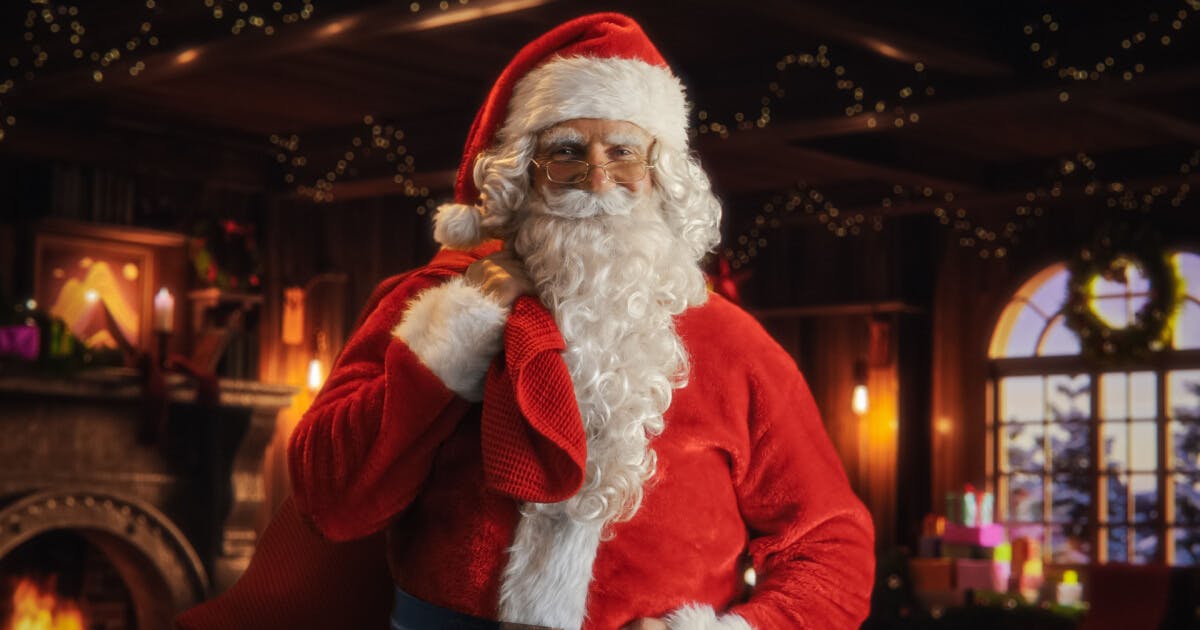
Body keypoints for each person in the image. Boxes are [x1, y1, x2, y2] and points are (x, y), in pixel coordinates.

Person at [178, 12, 873, 630]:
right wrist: (453, 334)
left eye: (624, 151)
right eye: (566, 150)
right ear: (521, 171)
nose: (597, 179)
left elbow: (832, 548)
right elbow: (330, 496)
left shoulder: (735, 347)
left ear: (662, 174)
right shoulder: (429, 302)